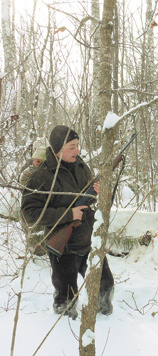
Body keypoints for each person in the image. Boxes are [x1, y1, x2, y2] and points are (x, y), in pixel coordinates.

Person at [21, 125, 114, 319]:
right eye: (72, 147)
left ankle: (106, 323)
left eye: (77, 145)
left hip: (89, 242)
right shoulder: (42, 176)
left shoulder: (81, 166)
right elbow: (30, 213)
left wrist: (96, 191)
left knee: (105, 286)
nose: (77, 151)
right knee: (66, 300)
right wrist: (67, 215)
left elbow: (88, 201)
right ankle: (64, 338)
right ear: (58, 148)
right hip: (63, 248)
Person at [20, 139, 48, 255]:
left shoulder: (48, 172)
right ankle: (35, 253)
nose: (39, 164)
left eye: (43, 161)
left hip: (44, 208)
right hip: (31, 207)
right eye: (37, 161)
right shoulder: (28, 172)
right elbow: (24, 188)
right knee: (33, 231)